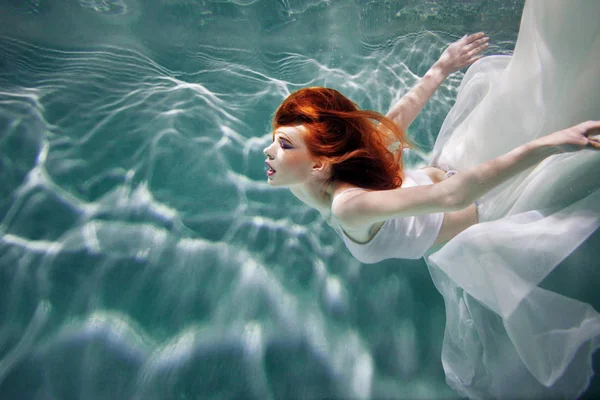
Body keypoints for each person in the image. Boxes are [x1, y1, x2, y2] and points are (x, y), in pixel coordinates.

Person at [263, 1, 600, 398]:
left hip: (491, 206)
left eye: (282, 144)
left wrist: (546, 146)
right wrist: (440, 69)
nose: (267, 151)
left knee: (566, 89)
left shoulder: (346, 203)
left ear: (321, 165)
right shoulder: (338, 180)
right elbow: (397, 131)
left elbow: (448, 192)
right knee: (564, 83)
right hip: (469, 169)